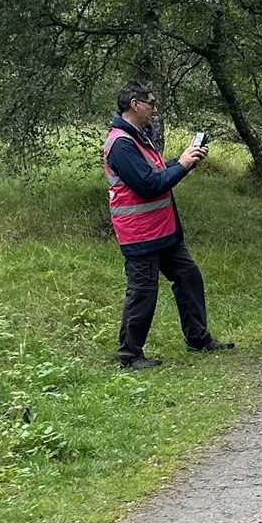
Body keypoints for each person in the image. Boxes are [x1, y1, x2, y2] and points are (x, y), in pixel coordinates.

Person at [103, 81, 234, 369]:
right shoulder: (121, 144)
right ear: (135, 104)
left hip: (164, 231)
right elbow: (148, 186)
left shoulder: (139, 136)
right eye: (151, 102)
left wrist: (183, 160)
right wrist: (183, 165)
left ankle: (198, 339)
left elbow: (158, 172)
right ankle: (130, 356)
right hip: (140, 235)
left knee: (189, 277)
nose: (154, 108)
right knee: (142, 293)